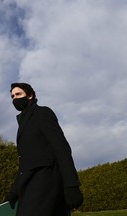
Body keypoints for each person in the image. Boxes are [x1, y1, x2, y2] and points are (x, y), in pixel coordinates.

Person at [6, 82, 83, 216]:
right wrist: (14, 191)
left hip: (46, 184)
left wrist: (71, 185)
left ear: (30, 95)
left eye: (18, 94)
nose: (14, 99)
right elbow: (25, 162)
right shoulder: (22, 124)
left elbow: (61, 148)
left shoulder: (42, 113)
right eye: (12, 96)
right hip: (29, 186)